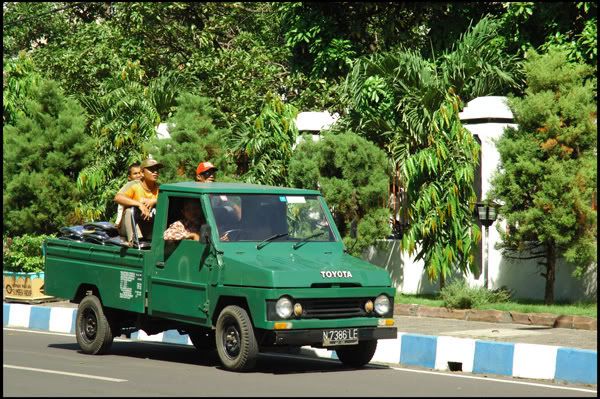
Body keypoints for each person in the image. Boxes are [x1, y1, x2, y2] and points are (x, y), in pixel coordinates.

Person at [114, 157, 163, 242]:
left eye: (157, 170)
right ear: (142, 173)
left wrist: (154, 201)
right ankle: (133, 241)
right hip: (128, 227)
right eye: (151, 169)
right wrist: (139, 204)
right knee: (130, 211)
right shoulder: (134, 185)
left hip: (148, 227)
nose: (155, 172)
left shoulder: (159, 189)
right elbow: (117, 198)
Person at [115, 162, 142, 229]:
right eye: (135, 173)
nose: (138, 175)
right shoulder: (131, 184)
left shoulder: (141, 185)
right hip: (124, 221)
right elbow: (118, 198)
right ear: (129, 177)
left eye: (140, 172)